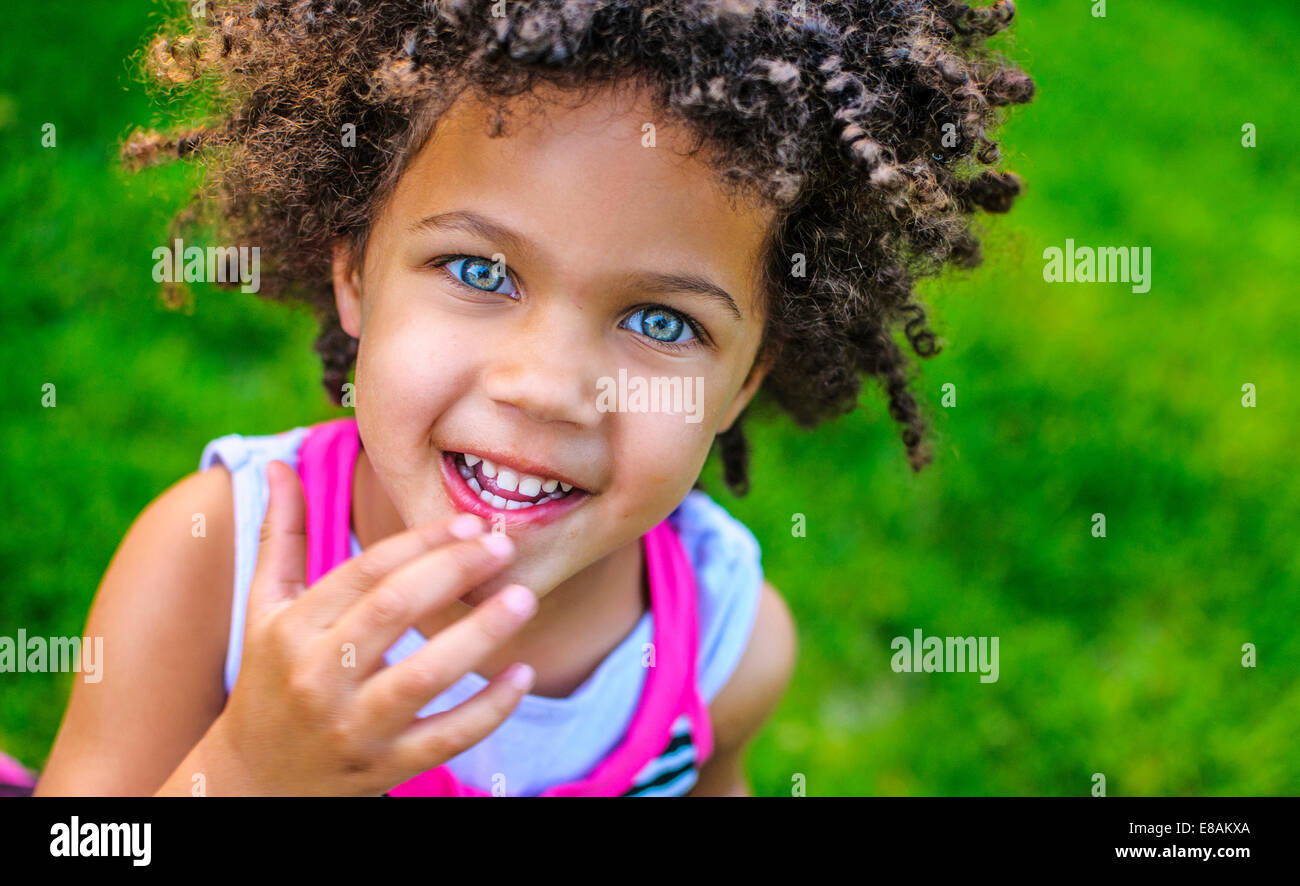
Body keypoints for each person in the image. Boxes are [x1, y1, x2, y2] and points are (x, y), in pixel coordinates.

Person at [31, 0, 1032, 796]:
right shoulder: (212, 563)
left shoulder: (724, 649)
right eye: (477, 270)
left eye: (662, 322)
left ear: (747, 377)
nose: (549, 389)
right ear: (354, 271)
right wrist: (250, 776)